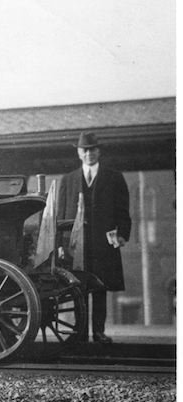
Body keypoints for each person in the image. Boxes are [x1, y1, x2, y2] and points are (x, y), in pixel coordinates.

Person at [57, 132, 131, 344]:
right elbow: (61, 215)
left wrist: (122, 235)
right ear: (79, 153)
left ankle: (98, 332)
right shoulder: (68, 180)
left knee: (100, 287)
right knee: (77, 289)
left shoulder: (114, 177)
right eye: (85, 150)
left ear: (99, 151)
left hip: (103, 244)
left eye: (93, 149)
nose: (89, 153)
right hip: (75, 245)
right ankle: (79, 333)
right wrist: (61, 244)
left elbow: (123, 212)